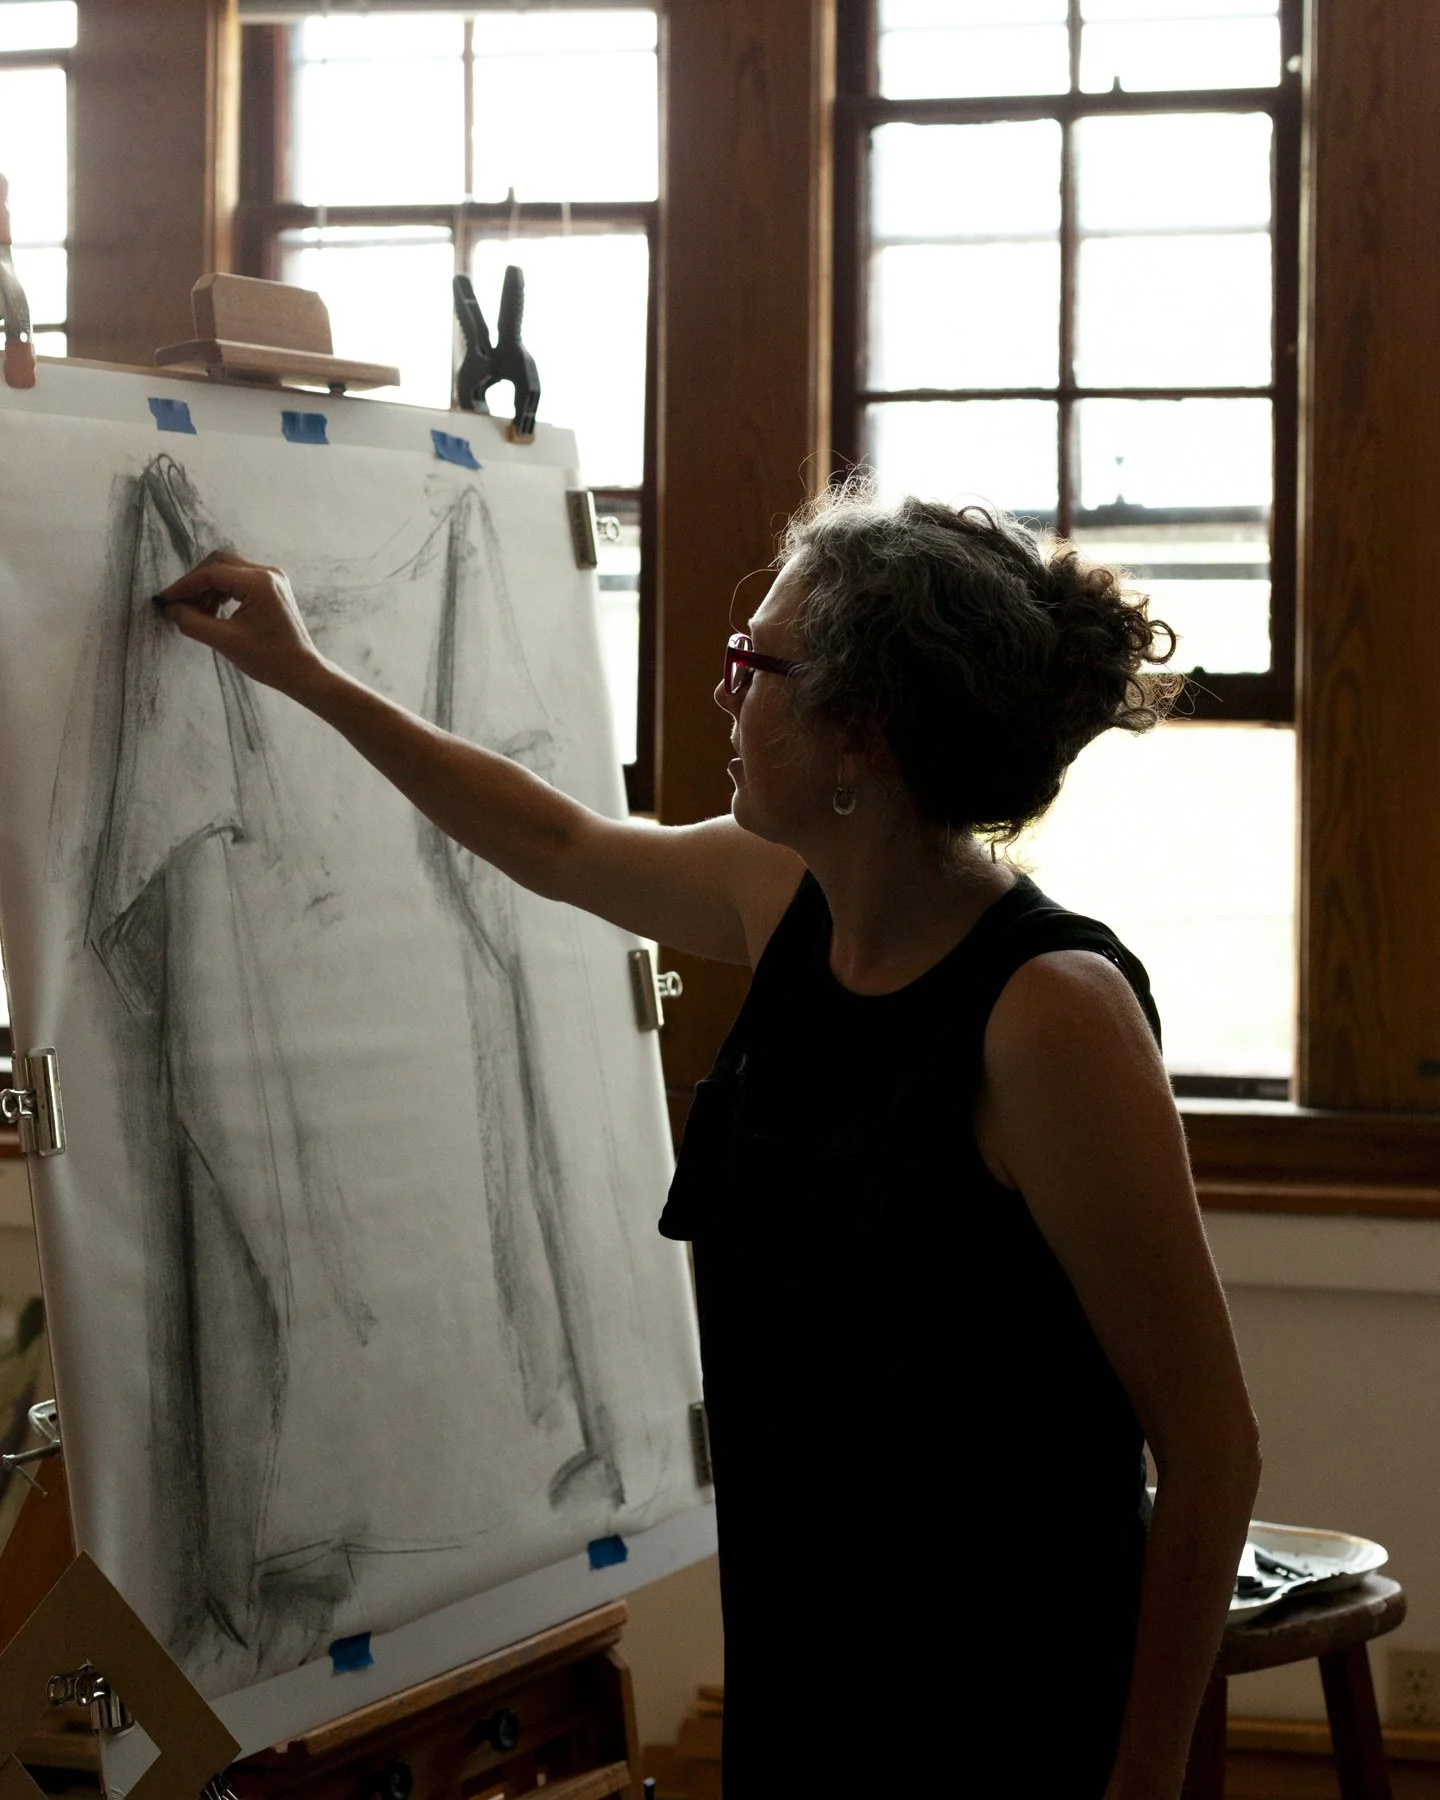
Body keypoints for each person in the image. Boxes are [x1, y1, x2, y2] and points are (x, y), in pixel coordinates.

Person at [157, 487, 1261, 1799]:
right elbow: (557, 841)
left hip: (1002, 1695)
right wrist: (305, 674)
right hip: (811, 1657)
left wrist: (1140, 1784)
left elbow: (1211, 1449)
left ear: (863, 735)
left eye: (757, 666)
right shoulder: (788, 900)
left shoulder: (1045, 1015)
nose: (726, 695)